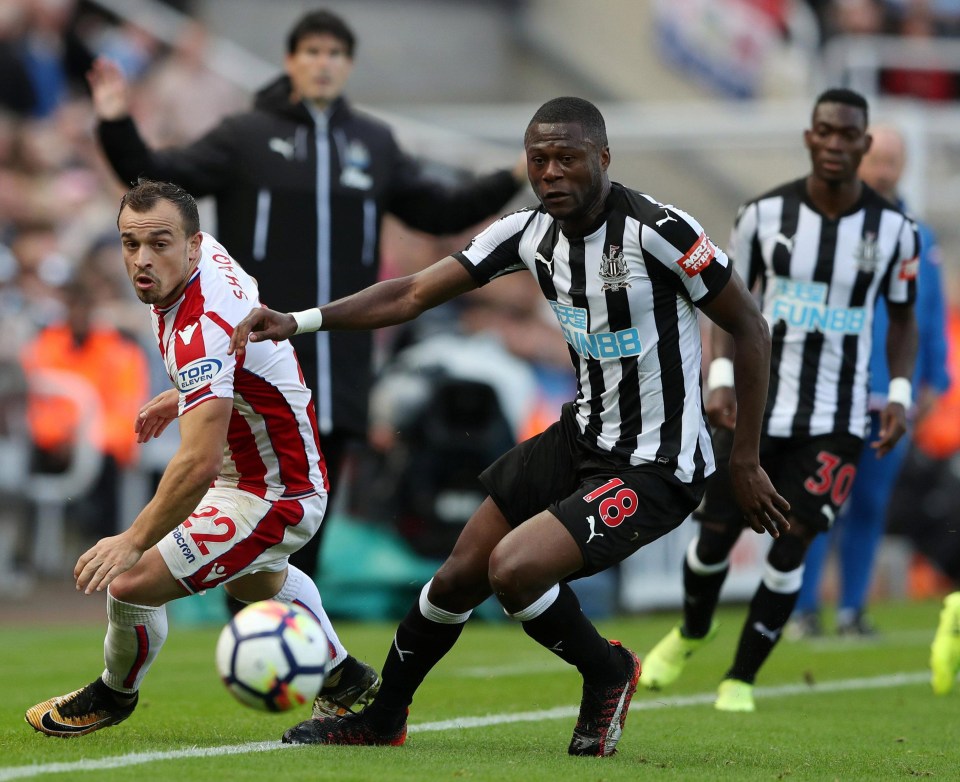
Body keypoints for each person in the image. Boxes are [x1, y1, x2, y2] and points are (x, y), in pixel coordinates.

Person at [229, 96, 789, 755]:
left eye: (567, 159)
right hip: (579, 436)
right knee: (457, 573)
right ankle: (383, 717)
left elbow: (749, 326)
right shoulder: (525, 233)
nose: (550, 172)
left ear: (603, 159)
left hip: (655, 463)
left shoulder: (657, 230)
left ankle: (608, 670)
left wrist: (745, 459)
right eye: (538, 159)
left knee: (514, 570)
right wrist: (299, 320)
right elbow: (411, 293)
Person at [86, 8, 526, 591]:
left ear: (348, 66)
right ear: (290, 61)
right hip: (256, 347)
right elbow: (162, 182)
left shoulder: (373, 143)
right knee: (250, 522)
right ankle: (280, 659)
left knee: (302, 525)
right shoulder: (245, 136)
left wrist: (517, 173)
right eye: (311, 52)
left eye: (335, 54)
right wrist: (116, 123)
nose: (323, 63)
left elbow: (440, 210)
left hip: (339, 353)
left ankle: (302, 664)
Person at [24, 179, 378, 737]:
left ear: (193, 245)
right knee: (253, 583)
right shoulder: (203, 261)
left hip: (276, 493)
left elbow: (198, 464)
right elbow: (239, 355)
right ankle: (343, 677)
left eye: (159, 244)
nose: (141, 260)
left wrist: (131, 539)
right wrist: (191, 392)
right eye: (129, 243)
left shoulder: (201, 327)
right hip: (263, 465)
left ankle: (113, 695)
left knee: (131, 581)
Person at [640, 88, 919, 712]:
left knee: (793, 539)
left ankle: (740, 678)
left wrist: (898, 392)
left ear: (864, 145)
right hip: (756, 409)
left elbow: (902, 320)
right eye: (825, 131)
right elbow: (725, 301)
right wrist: (716, 379)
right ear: (809, 136)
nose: (836, 144)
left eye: (849, 135)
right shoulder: (763, 215)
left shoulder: (896, 232)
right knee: (713, 538)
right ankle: (692, 630)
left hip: (838, 417)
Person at [790, 124, 951, 638]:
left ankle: (851, 608)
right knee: (817, 503)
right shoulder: (826, 226)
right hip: (831, 393)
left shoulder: (921, 238)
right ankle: (803, 609)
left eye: (891, 160)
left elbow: (930, 315)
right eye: (875, 159)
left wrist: (931, 384)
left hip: (892, 396)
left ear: (901, 166)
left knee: (870, 505)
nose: (883, 169)